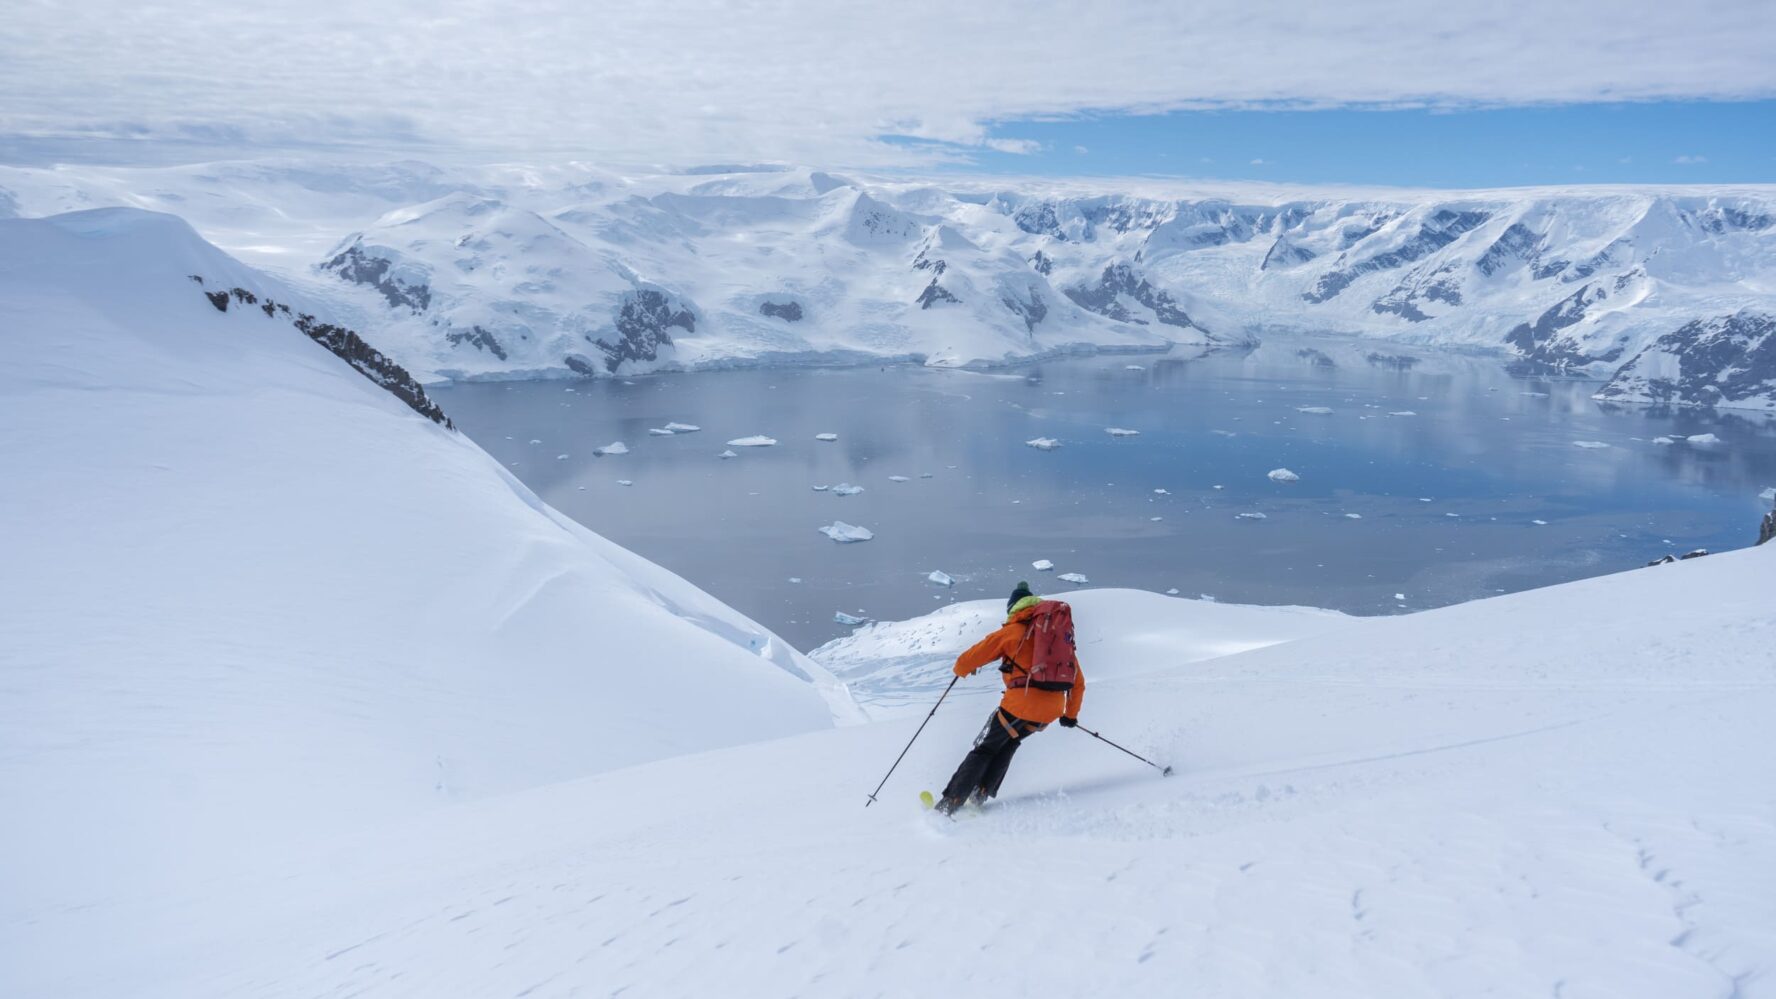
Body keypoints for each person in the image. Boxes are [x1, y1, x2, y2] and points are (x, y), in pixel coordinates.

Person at [934, 582, 1085, 814]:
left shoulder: (1012, 632)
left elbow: (968, 659)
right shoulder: (1057, 639)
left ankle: (951, 801)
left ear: (1013, 608)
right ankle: (980, 794)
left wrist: (961, 670)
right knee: (1010, 742)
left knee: (984, 749)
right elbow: (1078, 682)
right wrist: (1070, 715)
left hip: (1019, 706)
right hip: (1050, 712)